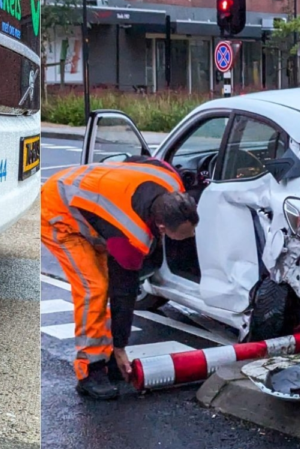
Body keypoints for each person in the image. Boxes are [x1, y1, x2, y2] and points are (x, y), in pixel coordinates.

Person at [40, 156, 199, 400]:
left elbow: (141, 160)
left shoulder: (170, 179)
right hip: (58, 212)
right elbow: (123, 293)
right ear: (162, 228)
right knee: (94, 287)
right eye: (182, 236)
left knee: (101, 282)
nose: (190, 238)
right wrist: (120, 348)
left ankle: (107, 357)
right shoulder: (130, 234)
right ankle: (89, 370)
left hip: (85, 195)